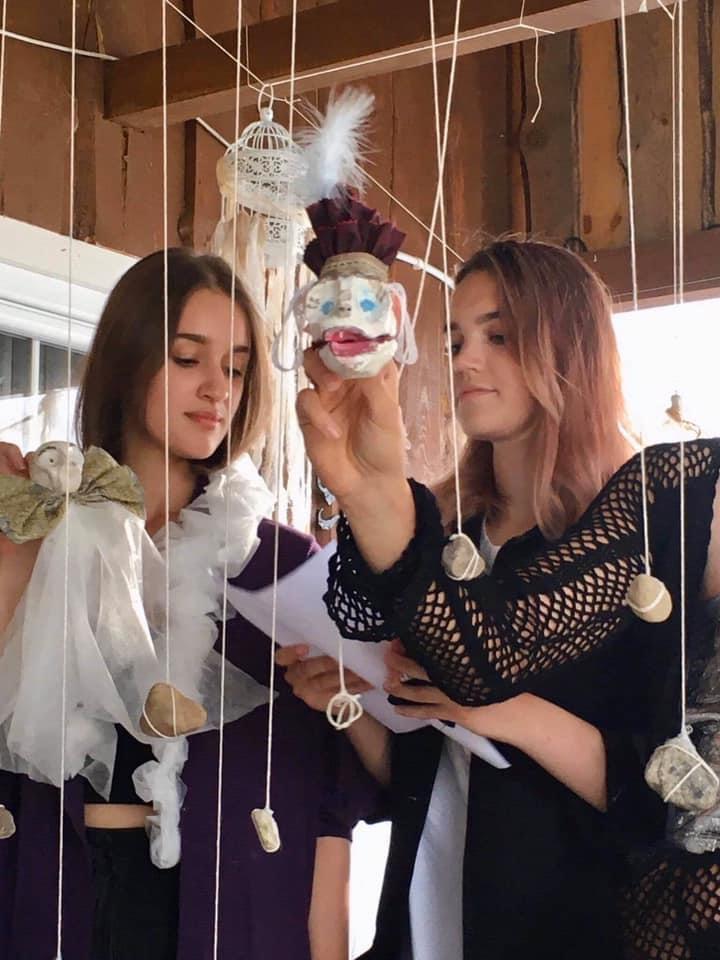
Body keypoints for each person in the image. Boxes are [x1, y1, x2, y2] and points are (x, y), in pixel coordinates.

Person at [287, 237, 720, 959]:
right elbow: (427, 776)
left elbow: (659, 798)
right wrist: (351, 703)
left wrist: (500, 710)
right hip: (426, 914)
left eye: (499, 336)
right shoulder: (443, 532)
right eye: (455, 339)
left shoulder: (646, 532)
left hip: (568, 923)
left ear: (568, 347)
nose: (464, 360)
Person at [0, 248, 375, 960]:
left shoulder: (279, 570)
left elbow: (332, 805)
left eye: (236, 368)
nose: (216, 389)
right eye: (187, 357)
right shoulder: (41, 535)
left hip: (223, 918)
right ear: (129, 359)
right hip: (49, 896)